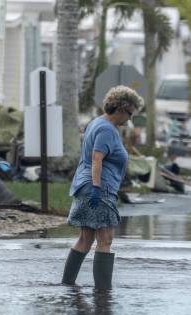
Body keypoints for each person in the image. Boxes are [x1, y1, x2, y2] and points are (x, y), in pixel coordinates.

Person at [61, 86, 144, 288]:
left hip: (86, 184)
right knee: (105, 239)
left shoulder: (96, 123)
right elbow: (96, 159)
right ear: (121, 108)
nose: (130, 119)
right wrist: (97, 188)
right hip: (98, 188)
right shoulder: (107, 129)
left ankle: (67, 284)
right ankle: (103, 292)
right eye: (130, 113)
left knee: (86, 238)